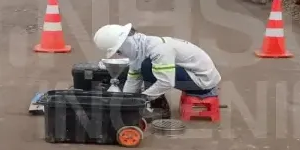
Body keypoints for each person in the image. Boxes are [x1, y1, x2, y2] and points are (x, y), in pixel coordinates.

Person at [93, 23, 222, 116]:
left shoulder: (158, 49)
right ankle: (154, 101)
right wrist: (125, 99)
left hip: (202, 81)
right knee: (145, 67)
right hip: (190, 74)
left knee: (148, 66)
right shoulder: (140, 47)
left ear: (124, 42)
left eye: (119, 51)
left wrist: (143, 98)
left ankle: (159, 108)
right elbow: (133, 77)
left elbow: (166, 82)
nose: (120, 54)